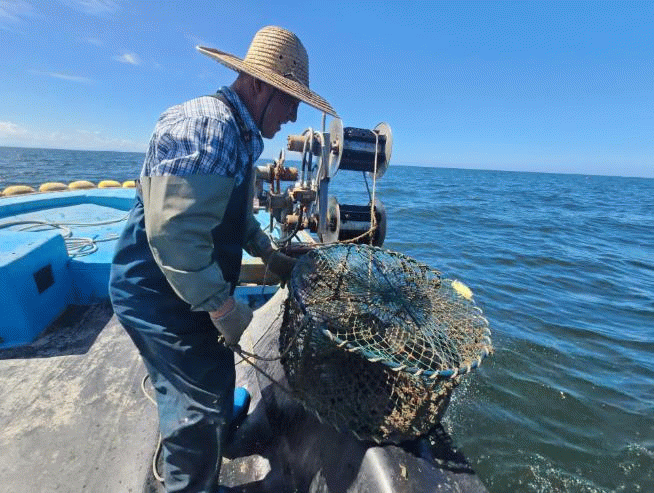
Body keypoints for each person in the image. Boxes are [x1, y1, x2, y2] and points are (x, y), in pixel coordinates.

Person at [109, 26, 337, 493]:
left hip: (189, 286)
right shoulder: (210, 127)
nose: (293, 116)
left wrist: (269, 254)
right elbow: (175, 236)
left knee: (214, 373)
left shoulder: (238, 132)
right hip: (158, 295)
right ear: (257, 86)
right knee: (194, 411)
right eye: (289, 100)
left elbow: (235, 216)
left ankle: (217, 419)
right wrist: (223, 306)